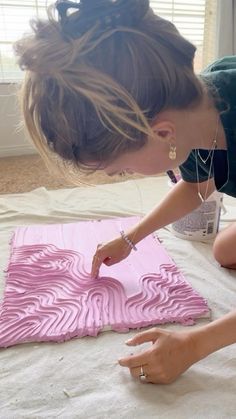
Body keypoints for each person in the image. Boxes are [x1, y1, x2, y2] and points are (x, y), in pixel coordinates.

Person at [15, 0, 236, 384]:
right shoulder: (195, 106)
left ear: (162, 133)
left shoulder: (186, 120)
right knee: (225, 249)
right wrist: (131, 238)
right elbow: (198, 183)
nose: (123, 175)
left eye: (122, 169)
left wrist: (194, 344)